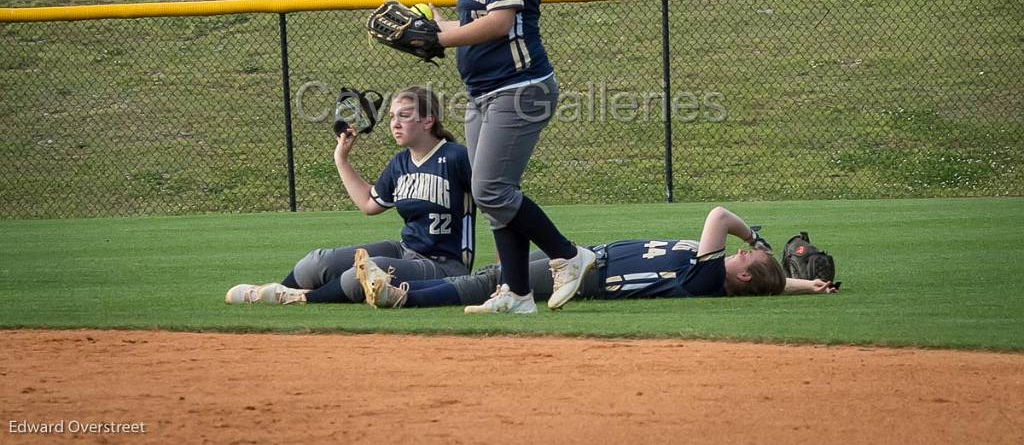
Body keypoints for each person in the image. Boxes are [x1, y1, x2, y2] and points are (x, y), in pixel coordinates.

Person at [429, 0, 595, 315]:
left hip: (519, 88)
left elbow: (501, 25)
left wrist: (445, 39)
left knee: (491, 188)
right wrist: (435, 29)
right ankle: (517, 293)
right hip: (485, 90)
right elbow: (476, 28)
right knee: (494, 193)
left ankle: (568, 255)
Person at [224, 86, 476, 305]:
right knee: (316, 262)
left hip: (444, 265)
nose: (395, 124)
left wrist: (504, 268)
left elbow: (494, 205)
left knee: (362, 273)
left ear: (428, 121)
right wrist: (341, 158)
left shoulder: (456, 157)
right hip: (405, 250)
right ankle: (273, 292)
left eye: (404, 116)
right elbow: (369, 203)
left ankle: (293, 299)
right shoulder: (401, 162)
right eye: (391, 117)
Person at [356, 206, 839, 312]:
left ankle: (403, 296)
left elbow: (718, 215)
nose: (739, 252)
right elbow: (763, 283)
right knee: (494, 276)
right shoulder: (720, 274)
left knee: (494, 281)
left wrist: (755, 235)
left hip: (589, 275)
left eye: (745, 257)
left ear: (743, 274)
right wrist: (802, 285)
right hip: (589, 263)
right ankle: (404, 292)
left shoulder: (709, 277)